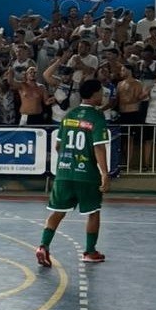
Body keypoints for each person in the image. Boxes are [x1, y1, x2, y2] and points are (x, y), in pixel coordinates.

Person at [35, 79, 111, 268]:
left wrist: (69, 159)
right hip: (86, 175)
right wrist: (105, 173)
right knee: (93, 212)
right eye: (101, 92)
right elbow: (98, 147)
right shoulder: (97, 117)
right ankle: (90, 251)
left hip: (64, 173)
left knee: (58, 212)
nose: (102, 95)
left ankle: (43, 246)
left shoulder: (70, 115)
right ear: (94, 94)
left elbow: (58, 145)